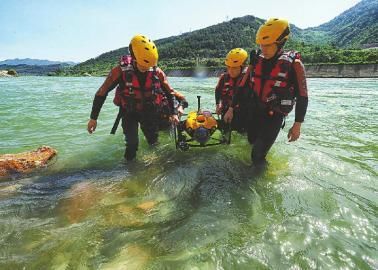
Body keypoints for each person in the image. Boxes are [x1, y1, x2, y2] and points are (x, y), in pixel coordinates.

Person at [87, 34, 188, 161]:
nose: (146, 69)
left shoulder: (157, 72)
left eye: (149, 66)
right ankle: (129, 172)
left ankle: (154, 167)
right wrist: (93, 118)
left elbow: (170, 93)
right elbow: (101, 93)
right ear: (133, 57)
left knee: (153, 142)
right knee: (132, 145)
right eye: (143, 65)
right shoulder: (120, 71)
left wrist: (174, 113)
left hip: (149, 112)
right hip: (129, 112)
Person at [224, 18, 308, 166]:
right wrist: (230, 108)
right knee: (250, 142)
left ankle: (256, 183)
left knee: (257, 156)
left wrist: (297, 125)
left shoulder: (294, 64)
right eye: (262, 45)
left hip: (273, 116)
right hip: (255, 112)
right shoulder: (256, 61)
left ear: (281, 42)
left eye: (268, 45)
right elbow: (242, 86)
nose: (264, 49)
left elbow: (303, 96)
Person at [215, 48, 248, 133]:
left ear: (242, 67)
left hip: (242, 114)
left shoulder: (248, 79)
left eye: (234, 68)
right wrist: (217, 105)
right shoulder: (224, 78)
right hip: (226, 112)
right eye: (228, 67)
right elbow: (218, 91)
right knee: (224, 135)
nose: (230, 71)